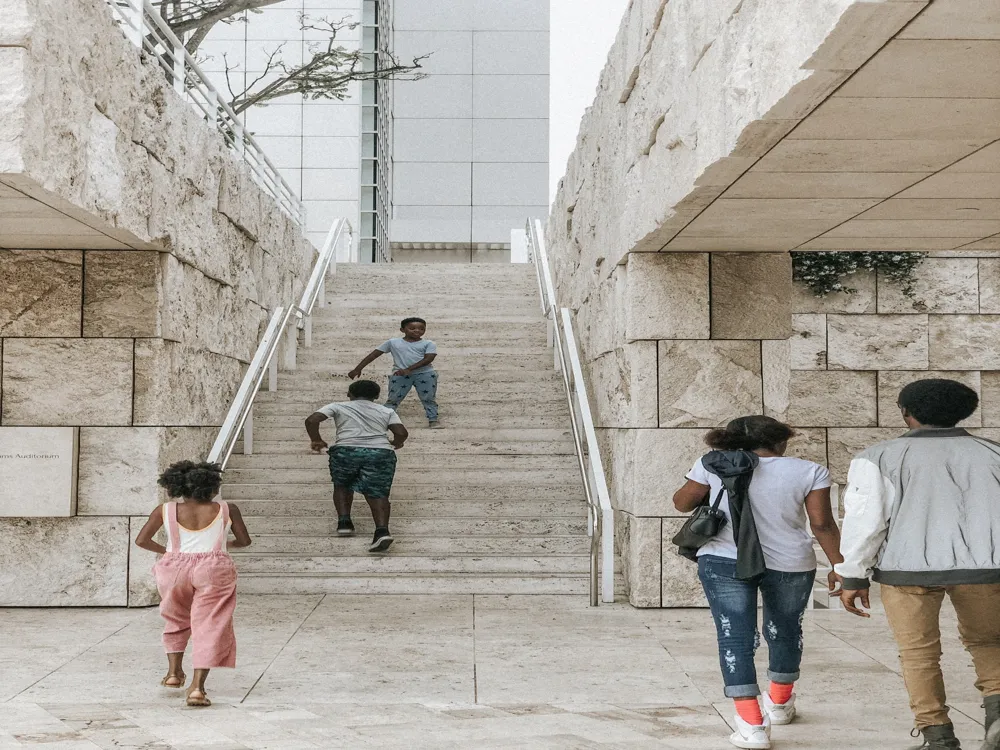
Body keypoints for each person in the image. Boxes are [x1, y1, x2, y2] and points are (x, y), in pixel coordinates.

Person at [837, 379, 1000, 750]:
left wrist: (852, 575)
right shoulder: (993, 453)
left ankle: (938, 736)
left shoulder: (876, 458)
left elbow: (866, 523)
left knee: (918, 652)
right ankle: (998, 719)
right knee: (991, 643)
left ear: (906, 413)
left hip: (905, 570)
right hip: (986, 569)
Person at [673, 416, 844, 750]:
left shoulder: (712, 464)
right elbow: (822, 525)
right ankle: (779, 704)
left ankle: (752, 725)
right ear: (780, 442)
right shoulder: (809, 471)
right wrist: (840, 565)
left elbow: (682, 503)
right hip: (791, 563)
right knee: (786, 629)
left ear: (729, 441)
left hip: (724, 561)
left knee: (734, 637)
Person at [134, 461, 252, 708]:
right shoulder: (228, 509)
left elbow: (142, 540)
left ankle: (174, 674)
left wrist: (169, 551)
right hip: (214, 569)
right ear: (212, 487)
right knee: (210, 624)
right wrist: (222, 547)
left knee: (175, 619)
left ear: (176, 486)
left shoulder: (165, 510)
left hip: (173, 568)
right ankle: (197, 689)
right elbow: (244, 541)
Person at [305, 379, 409, 552]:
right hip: (379, 453)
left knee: (342, 484)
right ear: (376, 396)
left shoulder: (338, 406)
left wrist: (316, 439)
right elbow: (401, 432)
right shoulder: (386, 410)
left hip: (346, 451)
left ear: (349, 394)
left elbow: (311, 420)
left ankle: (344, 522)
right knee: (378, 492)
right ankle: (382, 531)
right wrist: (397, 442)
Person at [348, 316, 440, 428]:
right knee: (393, 399)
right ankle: (383, 421)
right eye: (412, 328)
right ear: (402, 330)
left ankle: (433, 419)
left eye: (421, 329)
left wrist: (408, 369)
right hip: (400, 375)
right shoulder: (393, 342)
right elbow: (374, 354)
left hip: (425, 374)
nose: (417, 331)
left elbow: (428, 359)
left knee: (428, 398)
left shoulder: (429, 343)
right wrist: (358, 368)